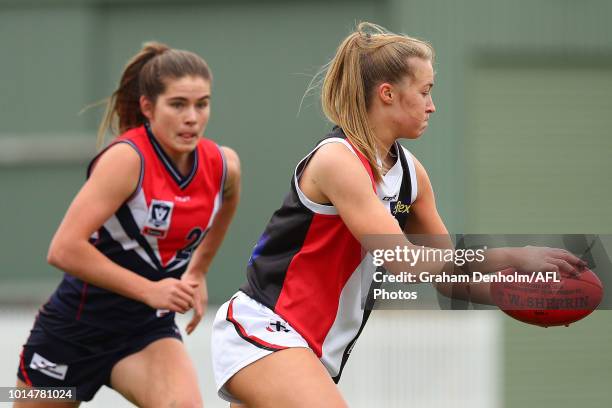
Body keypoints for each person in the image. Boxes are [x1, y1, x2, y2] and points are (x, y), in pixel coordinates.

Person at [210, 22, 584, 407]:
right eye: (424, 92)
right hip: (264, 329)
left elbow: (449, 275)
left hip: (310, 352)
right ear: (387, 94)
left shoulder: (411, 176)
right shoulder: (338, 159)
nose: (432, 105)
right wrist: (515, 255)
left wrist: (519, 293)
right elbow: (402, 259)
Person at [15, 42, 240, 407]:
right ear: (148, 108)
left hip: (146, 331)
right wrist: (149, 290)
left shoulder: (224, 164)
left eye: (202, 104)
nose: (192, 118)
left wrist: (197, 271)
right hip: (72, 332)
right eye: (178, 104)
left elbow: (227, 201)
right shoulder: (126, 159)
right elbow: (63, 248)